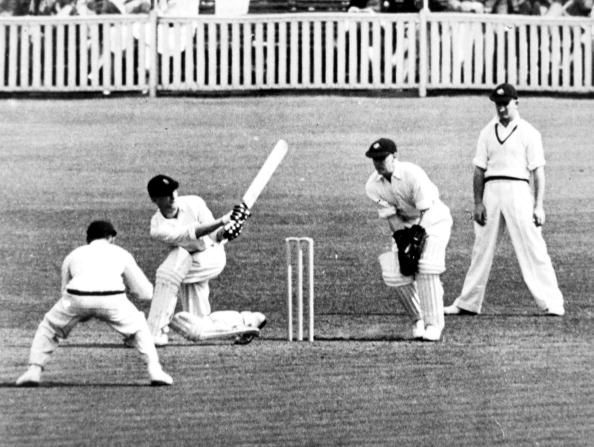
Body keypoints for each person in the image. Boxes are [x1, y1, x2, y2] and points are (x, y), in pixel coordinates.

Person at [445, 83, 565, 317]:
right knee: (481, 248)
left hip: (519, 191)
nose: (501, 109)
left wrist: (539, 206)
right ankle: (468, 302)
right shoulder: (487, 132)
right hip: (491, 192)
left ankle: (552, 301)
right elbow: (479, 170)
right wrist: (478, 203)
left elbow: (538, 171)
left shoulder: (529, 132)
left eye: (505, 104)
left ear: (516, 103)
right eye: (498, 105)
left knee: (533, 247)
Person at [16, 220, 173, 387]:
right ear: (110, 237)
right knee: (140, 327)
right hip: (113, 298)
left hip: (76, 297)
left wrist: (81, 311)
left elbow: (64, 290)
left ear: (88, 239)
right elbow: (145, 292)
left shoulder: (74, 254)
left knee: (49, 327)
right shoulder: (121, 253)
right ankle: (155, 371)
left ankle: (34, 370)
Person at [145, 174, 266, 346]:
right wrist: (224, 220)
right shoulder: (158, 227)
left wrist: (227, 231)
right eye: (166, 194)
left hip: (210, 255)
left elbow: (215, 235)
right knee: (197, 324)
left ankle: (155, 331)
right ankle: (245, 320)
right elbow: (191, 233)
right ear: (154, 199)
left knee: (167, 273)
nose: (173, 196)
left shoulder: (194, 202)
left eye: (173, 191)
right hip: (188, 262)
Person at [365, 138, 453, 341]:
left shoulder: (412, 174)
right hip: (404, 224)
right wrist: (404, 241)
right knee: (396, 272)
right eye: (374, 159)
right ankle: (418, 319)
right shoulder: (372, 187)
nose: (378, 163)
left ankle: (434, 325)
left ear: (395, 156)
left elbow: (426, 210)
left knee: (426, 266)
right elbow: (392, 217)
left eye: (382, 158)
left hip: (433, 220)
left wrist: (417, 240)